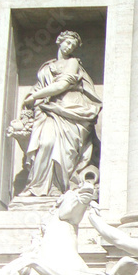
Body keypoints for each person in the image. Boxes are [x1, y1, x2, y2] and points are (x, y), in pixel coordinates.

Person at [18, 31, 102, 198]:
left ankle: (59, 188)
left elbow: (62, 85)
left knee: (65, 151)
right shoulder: (47, 66)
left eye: (73, 45)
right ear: (59, 41)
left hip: (69, 109)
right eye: (68, 43)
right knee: (46, 143)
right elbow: (41, 85)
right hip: (47, 110)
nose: (69, 47)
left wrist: (35, 96)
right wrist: (31, 98)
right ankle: (37, 187)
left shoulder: (73, 63)